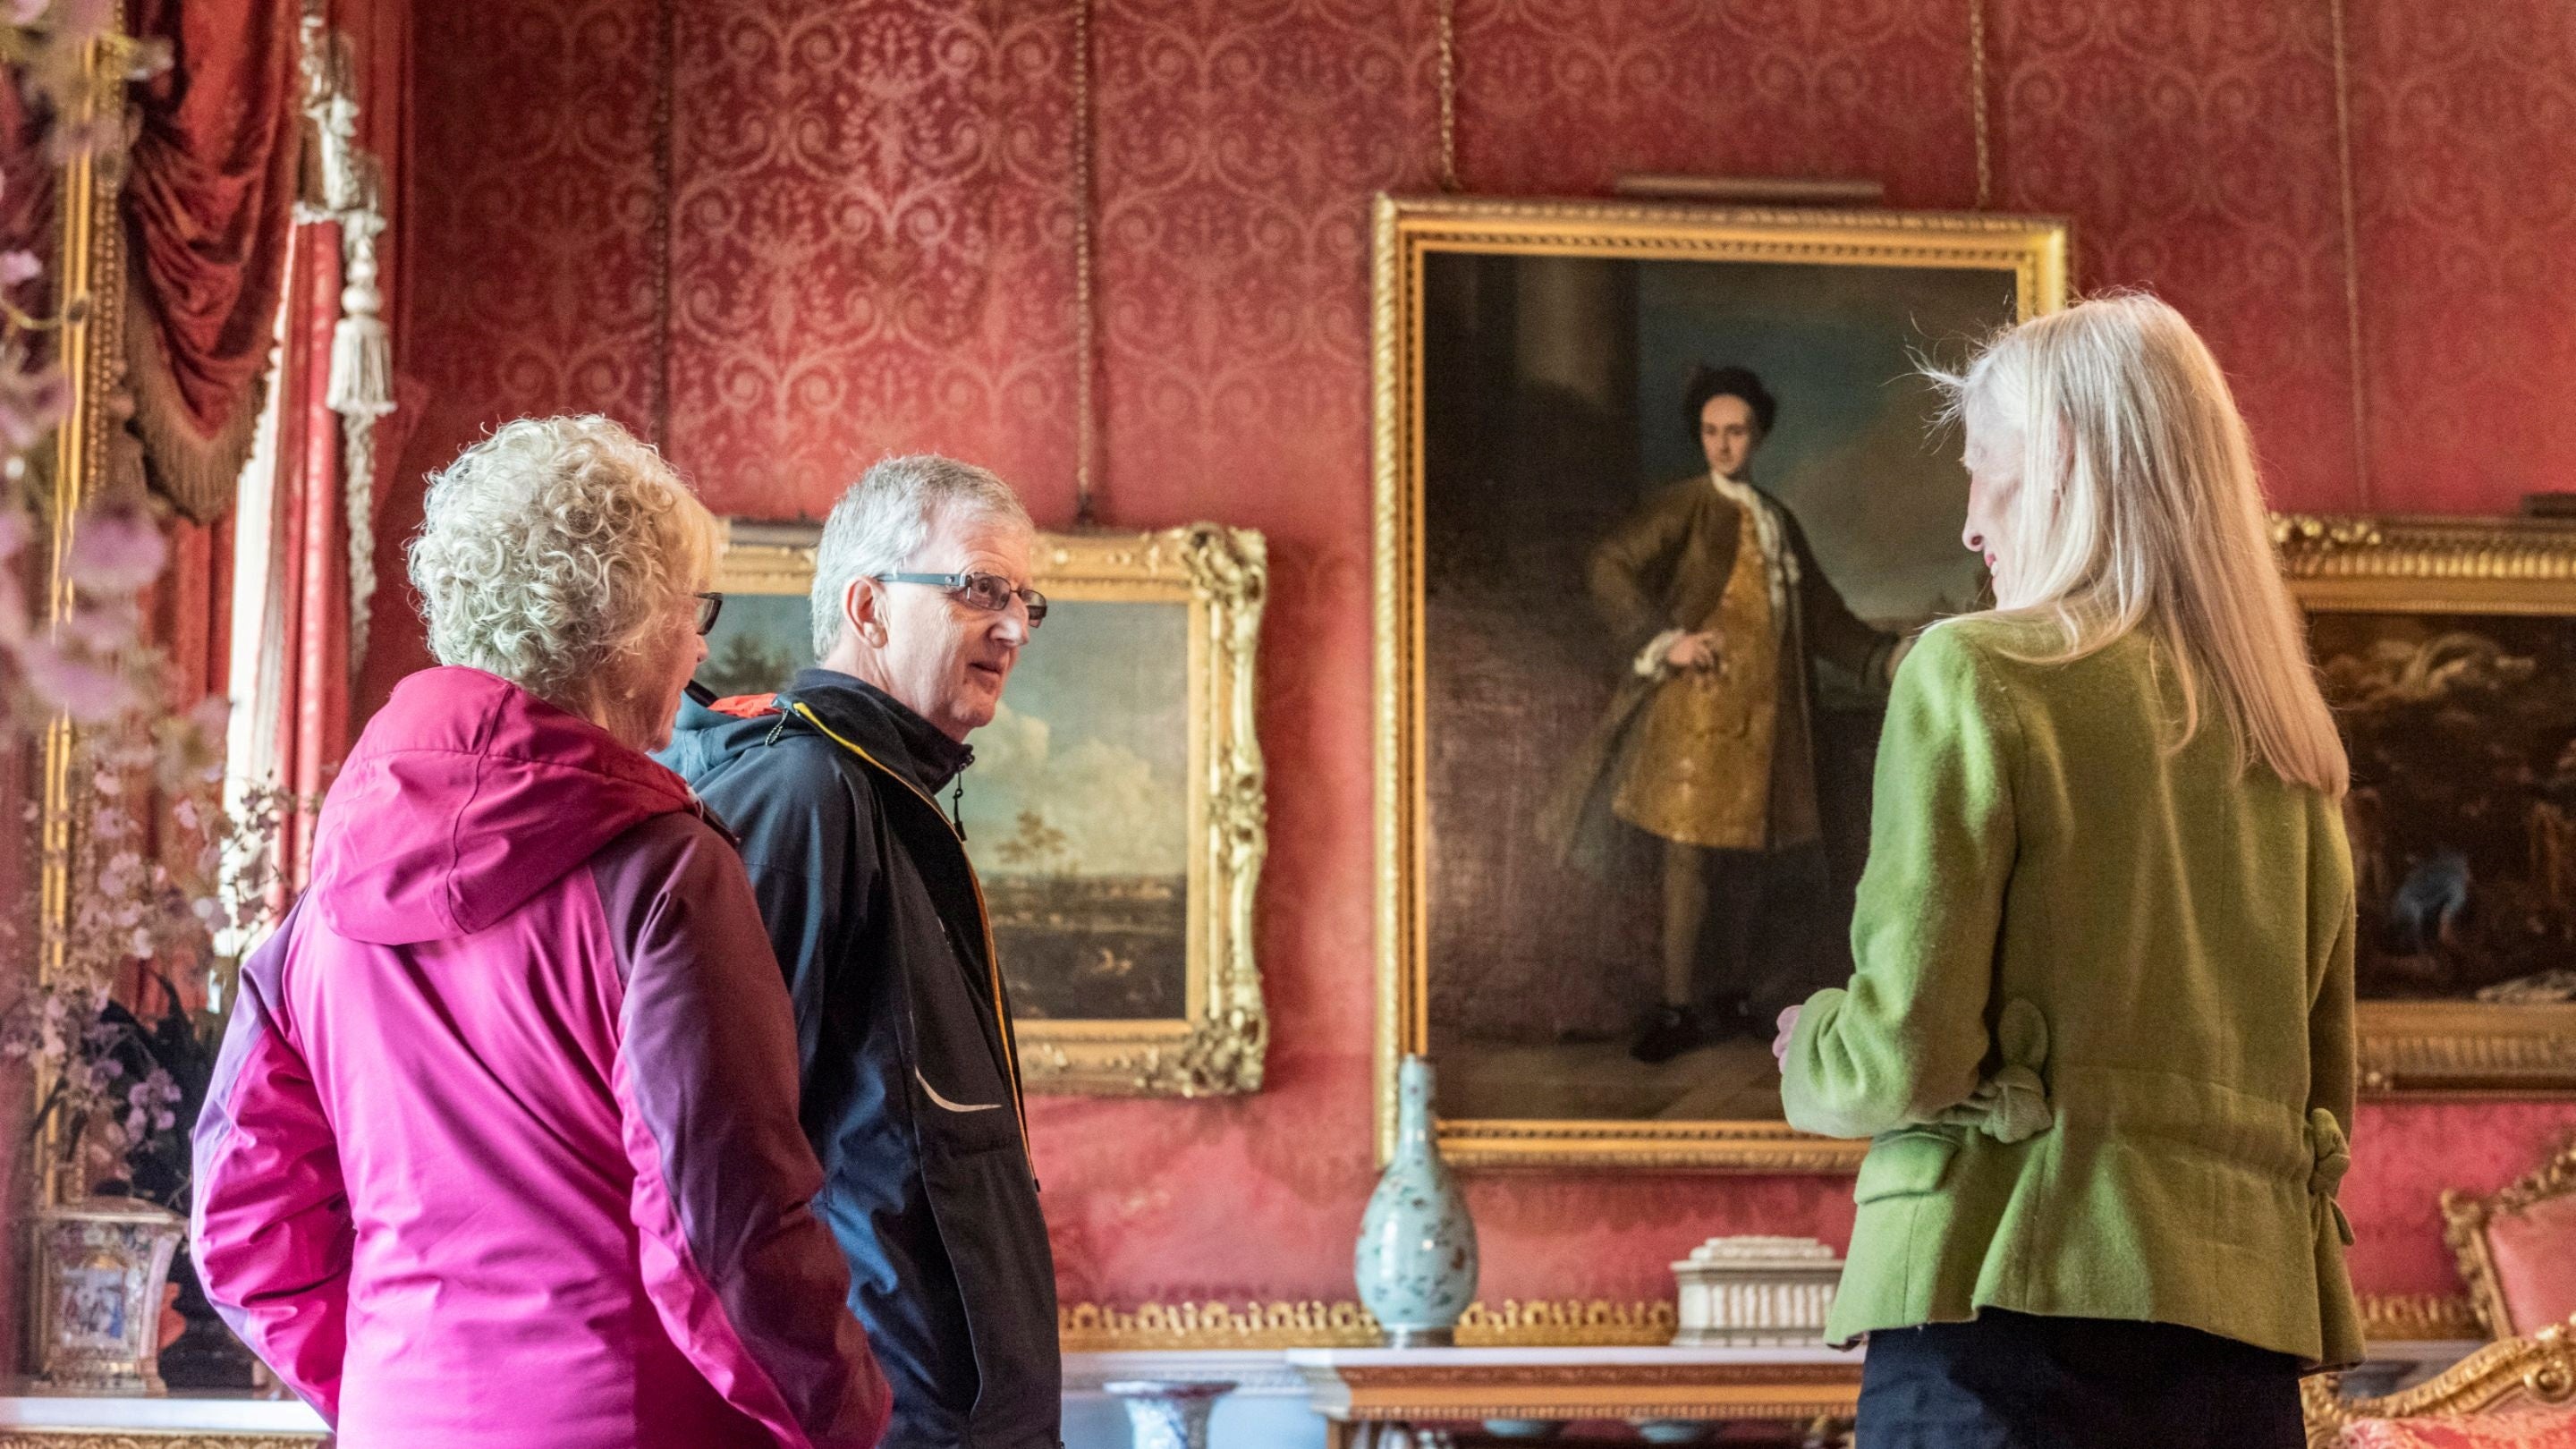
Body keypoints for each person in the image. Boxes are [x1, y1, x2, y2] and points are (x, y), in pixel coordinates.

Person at [191, 417, 889, 1448]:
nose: (701, 645)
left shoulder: (320, 903)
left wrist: (406, 1381)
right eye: (692, 611)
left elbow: (244, 1228)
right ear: (626, 623)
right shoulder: (662, 872)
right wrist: (849, 1418)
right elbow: (722, 1230)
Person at [1773, 294, 2362, 1449]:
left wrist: (1814, 1047)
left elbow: (1906, 1053)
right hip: (2239, 1363)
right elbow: (2323, 1102)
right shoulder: (2295, 755)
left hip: (2002, 1333)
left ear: (2067, 464)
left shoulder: (1974, 677)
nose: (1972, 523)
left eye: (1986, 473)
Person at [660, 455, 1058, 1449]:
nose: (1011, 627)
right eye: (977, 588)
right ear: (868, 607)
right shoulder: (805, 795)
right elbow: (723, 1161)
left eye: (1023, 599)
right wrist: (835, 1401)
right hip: (884, 1420)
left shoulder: (883, 791)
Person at [1540, 363, 1898, 1063]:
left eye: (1736, 432)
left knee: (1750, 864)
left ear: (1757, 435)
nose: (1724, 445)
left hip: (1768, 727)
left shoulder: (1776, 520)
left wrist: (1882, 659)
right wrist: (1663, 640)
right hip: (1694, 716)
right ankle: (1677, 1007)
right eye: (1711, 432)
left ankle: (1732, 996)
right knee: (1688, 860)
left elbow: (1822, 615)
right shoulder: (1687, 506)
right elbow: (1608, 563)